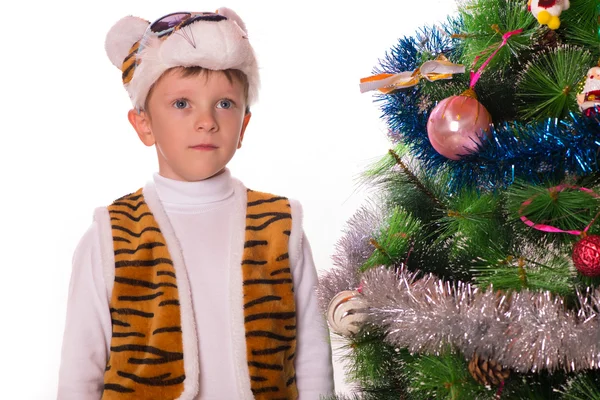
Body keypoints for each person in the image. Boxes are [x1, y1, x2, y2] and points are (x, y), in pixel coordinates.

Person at [57, 8, 334, 400]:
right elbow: (78, 374)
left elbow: (311, 358)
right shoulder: (111, 235)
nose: (206, 121)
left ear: (244, 126)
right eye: (182, 104)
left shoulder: (280, 227)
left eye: (224, 104)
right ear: (144, 124)